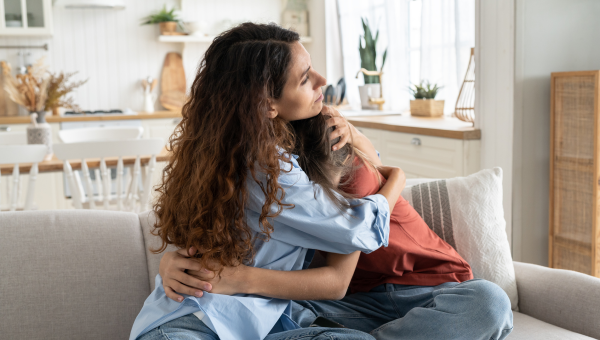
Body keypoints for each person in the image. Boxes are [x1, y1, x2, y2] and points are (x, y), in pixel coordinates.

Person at [129, 22, 406, 340]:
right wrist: (398, 177)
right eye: (305, 79)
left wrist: (353, 133)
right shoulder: (266, 166)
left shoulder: (228, 148)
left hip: (231, 322)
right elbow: (356, 228)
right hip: (192, 326)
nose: (322, 81)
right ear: (266, 105)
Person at [165, 113, 514, 340]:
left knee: (489, 302)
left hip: (432, 288)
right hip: (351, 305)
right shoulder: (280, 183)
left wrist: (389, 172)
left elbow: (347, 255)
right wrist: (173, 261)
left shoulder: (347, 173)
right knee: (277, 314)